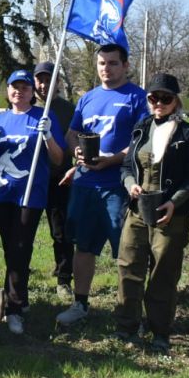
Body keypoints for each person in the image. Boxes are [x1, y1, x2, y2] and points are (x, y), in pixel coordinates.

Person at [56, 44, 148, 326]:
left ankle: (131, 310)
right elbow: (72, 133)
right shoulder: (88, 98)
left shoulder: (137, 97)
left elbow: (141, 140)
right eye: (101, 63)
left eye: (112, 63)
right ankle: (80, 304)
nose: (106, 68)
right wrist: (76, 152)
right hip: (86, 185)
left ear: (125, 66)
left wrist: (113, 160)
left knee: (126, 250)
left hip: (118, 184)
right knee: (83, 247)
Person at [115, 73, 189, 353]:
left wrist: (175, 203)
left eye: (165, 98)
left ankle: (160, 333)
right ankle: (127, 328)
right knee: (128, 267)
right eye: (154, 98)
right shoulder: (141, 128)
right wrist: (131, 186)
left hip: (171, 215)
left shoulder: (188, 134)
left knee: (163, 274)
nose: (159, 103)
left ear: (176, 101)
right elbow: (127, 166)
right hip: (137, 210)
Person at [0, 71, 65, 334]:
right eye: (14, 87)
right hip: (2, 193)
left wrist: (48, 136)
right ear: (8, 90)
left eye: (25, 87)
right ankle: (21, 296)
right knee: (10, 248)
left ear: (32, 92)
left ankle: (14, 308)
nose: (19, 91)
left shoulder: (44, 117)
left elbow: (58, 158)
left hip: (30, 194)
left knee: (20, 247)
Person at [33, 61, 77, 300]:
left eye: (48, 79)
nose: (43, 84)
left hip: (59, 179)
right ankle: (19, 272)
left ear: (57, 82)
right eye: (39, 79)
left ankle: (63, 277)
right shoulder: (26, 107)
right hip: (30, 180)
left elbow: (74, 140)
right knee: (22, 230)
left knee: (61, 233)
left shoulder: (67, 110)